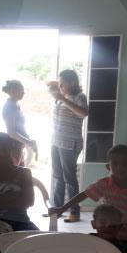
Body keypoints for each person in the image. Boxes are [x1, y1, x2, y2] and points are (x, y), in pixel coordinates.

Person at [49, 145, 127, 253]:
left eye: (125, 163)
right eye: (115, 163)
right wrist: (62, 208)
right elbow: (84, 194)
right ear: (108, 167)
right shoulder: (103, 184)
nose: (120, 167)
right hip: (109, 235)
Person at [48, 69, 89, 223]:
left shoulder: (79, 97)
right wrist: (59, 94)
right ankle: (57, 209)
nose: (60, 86)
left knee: (70, 178)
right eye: (59, 83)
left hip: (70, 144)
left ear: (72, 82)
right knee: (58, 176)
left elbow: (83, 113)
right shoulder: (61, 97)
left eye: (62, 83)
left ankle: (74, 212)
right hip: (57, 142)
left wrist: (63, 99)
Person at [1, 80, 37, 164]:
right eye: (21, 90)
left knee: (21, 170)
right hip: (14, 145)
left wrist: (27, 141)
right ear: (13, 91)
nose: (24, 92)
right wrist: (28, 142)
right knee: (17, 172)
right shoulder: (10, 107)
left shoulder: (15, 104)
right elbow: (11, 133)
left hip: (19, 144)